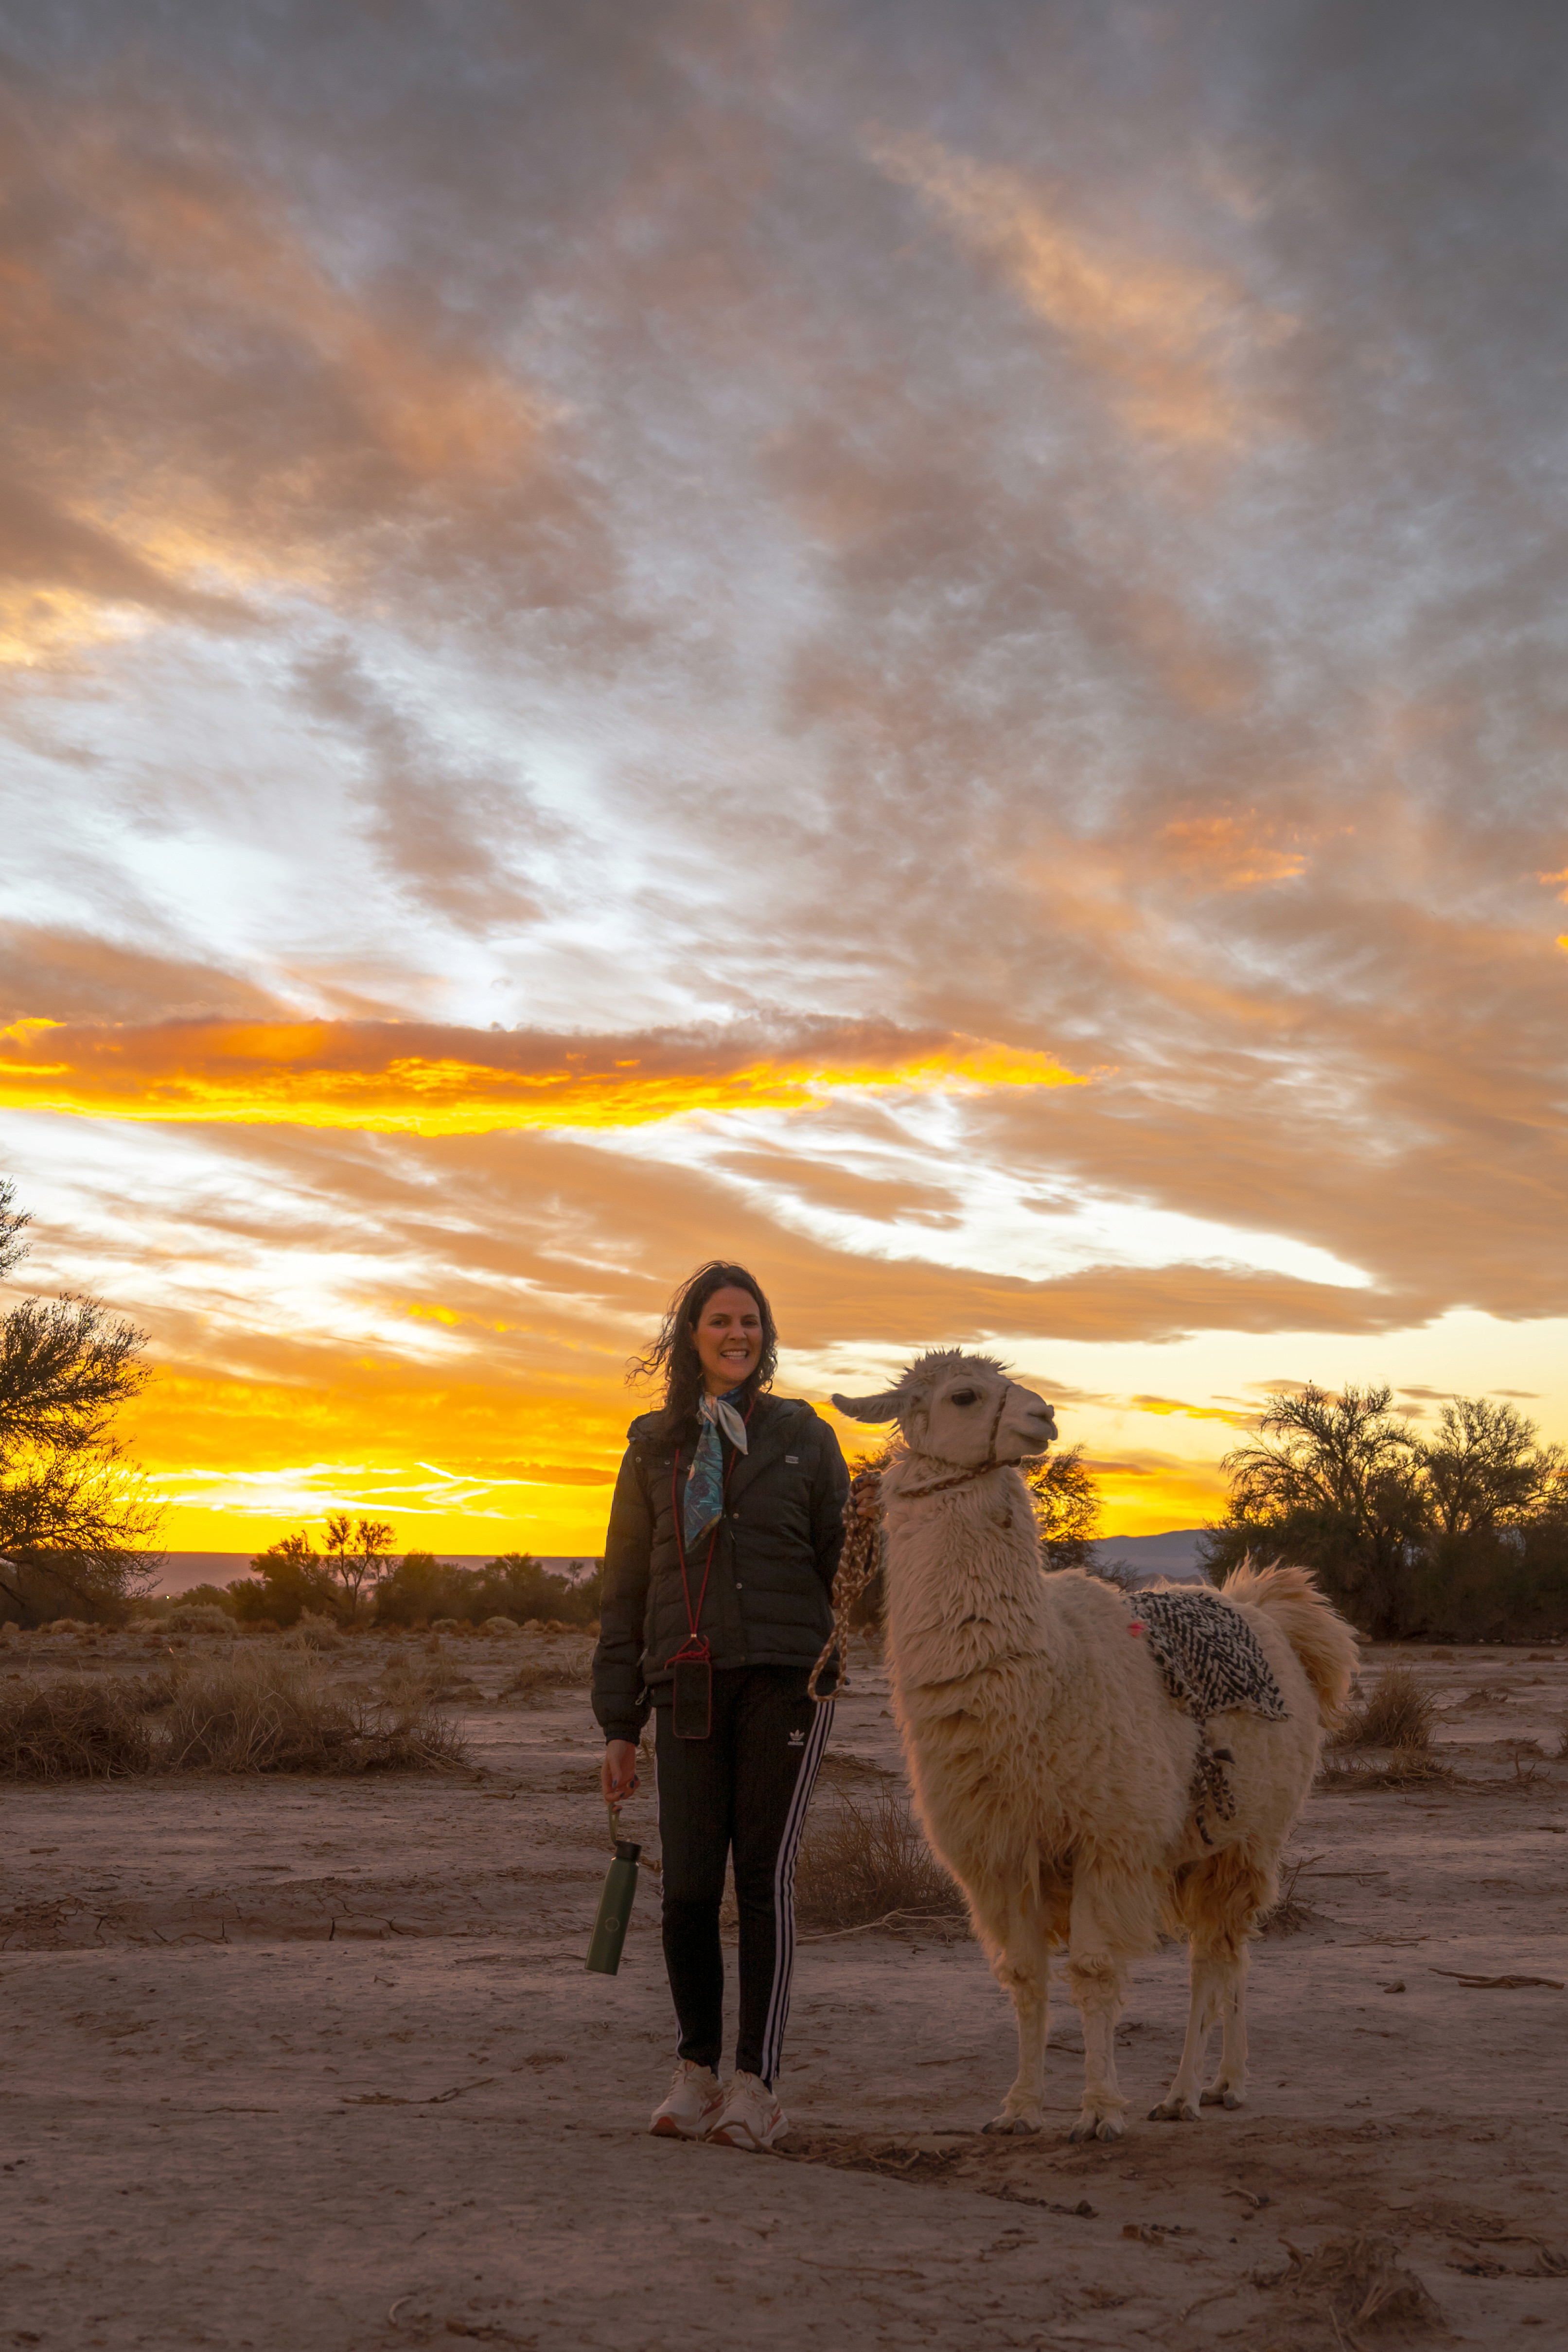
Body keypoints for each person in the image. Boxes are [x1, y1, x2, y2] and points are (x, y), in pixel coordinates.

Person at [592, 1260, 849, 2151]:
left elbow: (837, 1562)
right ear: (689, 1335)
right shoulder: (652, 1445)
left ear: (765, 1335)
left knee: (762, 1882)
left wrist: (825, 1655)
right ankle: (695, 2069)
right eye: (718, 1320)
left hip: (784, 1679)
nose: (736, 1334)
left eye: (750, 1320)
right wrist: (620, 1723)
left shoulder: (802, 1436)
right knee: (690, 1888)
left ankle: (756, 2084)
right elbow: (625, 1585)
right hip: (687, 1683)